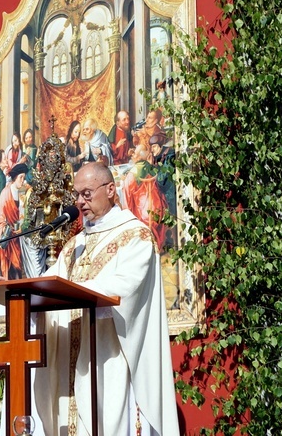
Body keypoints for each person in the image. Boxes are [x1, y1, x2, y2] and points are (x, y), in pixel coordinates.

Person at [33, 162, 179, 436]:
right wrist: (31, 299)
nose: (79, 202)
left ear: (111, 189)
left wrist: (76, 290)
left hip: (110, 360)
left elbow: (125, 287)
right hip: (70, 364)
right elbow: (50, 284)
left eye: (86, 194)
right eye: (76, 195)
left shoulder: (135, 236)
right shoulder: (74, 246)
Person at [0, 163, 28, 280]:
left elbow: (23, 214)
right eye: (21, 177)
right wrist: (4, 229)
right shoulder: (5, 193)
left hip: (17, 237)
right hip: (8, 237)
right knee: (9, 268)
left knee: (17, 266)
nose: (23, 181)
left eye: (24, 178)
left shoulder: (23, 193)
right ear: (15, 178)